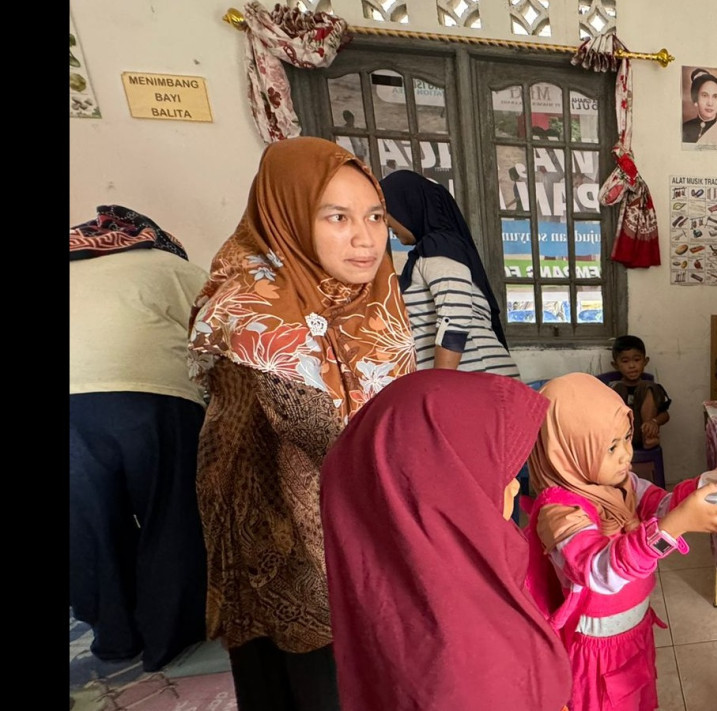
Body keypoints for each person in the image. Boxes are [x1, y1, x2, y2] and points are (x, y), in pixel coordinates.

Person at [189, 136, 415, 711]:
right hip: (286, 539)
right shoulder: (251, 308)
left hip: (367, 525)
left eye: (375, 216)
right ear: (287, 214)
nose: (366, 238)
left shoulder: (376, 299)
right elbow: (321, 437)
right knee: (316, 682)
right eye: (337, 217)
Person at [320, 370, 573, 711]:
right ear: (443, 492)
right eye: (502, 477)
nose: (514, 488)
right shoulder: (479, 669)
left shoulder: (407, 607)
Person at [526, 373, 717, 711]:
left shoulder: (621, 484)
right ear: (569, 451)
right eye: (611, 447)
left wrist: (710, 483)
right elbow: (599, 571)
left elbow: (661, 504)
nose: (626, 455)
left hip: (633, 630)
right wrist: (671, 529)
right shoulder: (560, 512)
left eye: (626, 439)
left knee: (637, 696)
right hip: (596, 652)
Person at [69, 205, 209, 673]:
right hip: (152, 400)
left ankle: (114, 637)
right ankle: (167, 637)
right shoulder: (169, 267)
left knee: (91, 524)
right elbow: (219, 333)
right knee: (168, 515)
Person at [381, 169, 520, 377]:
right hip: (477, 381)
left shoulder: (438, 246)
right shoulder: (432, 252)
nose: (384, 221)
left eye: (384, 210)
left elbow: (455, 314)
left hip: (475, 383)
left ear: (405, 205)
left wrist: (440, 387)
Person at [608, 335, 671, 449]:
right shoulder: (614, 387)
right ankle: (617, 441)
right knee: (617, 387)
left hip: (642, 434)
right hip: (619, 437)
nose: (632, 365)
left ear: (645, 361)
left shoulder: (651, 388)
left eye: (637, 360)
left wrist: (654, 422)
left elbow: (665, 415)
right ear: (615, 365)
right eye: (625, 361)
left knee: (647, 386)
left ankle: (647, 437)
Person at [681, 68, 717, 147]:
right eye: (704, 95)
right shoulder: (683, 128)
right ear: (696, 100)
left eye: (715, 96)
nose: (710, 103)